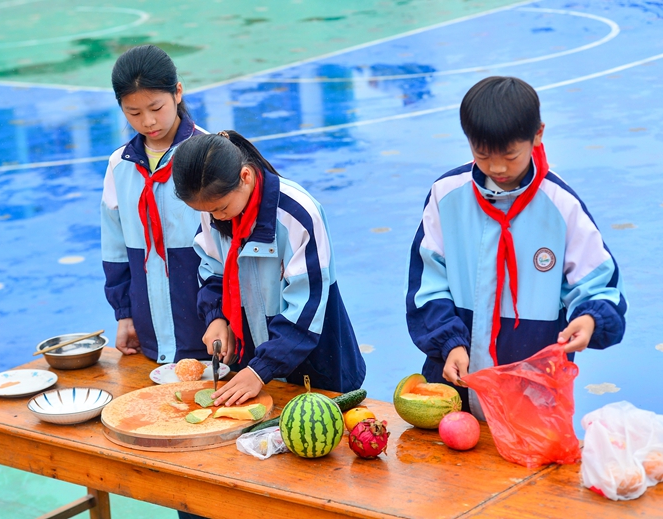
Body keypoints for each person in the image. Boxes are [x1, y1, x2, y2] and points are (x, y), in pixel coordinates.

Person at [405, 76, 626, 419]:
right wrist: (450, 342)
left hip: (534, 396)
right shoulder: (446, 196)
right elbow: (427, 284)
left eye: (510, 155)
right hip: (455, 387)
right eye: (482, 153)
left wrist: (589, 318)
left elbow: (598, 283)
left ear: (538, 134)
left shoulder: (560, 205)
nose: (496, 167)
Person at [171, 131, 367, 406]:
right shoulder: (215, 208)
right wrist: (216, 316)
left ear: (246, 177)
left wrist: (260, 370)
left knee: (314, 429)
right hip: (255, 365)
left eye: (221, 208)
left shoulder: (297, 214)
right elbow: (212, 269)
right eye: (207, 212)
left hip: (315, 367)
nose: (215, 218)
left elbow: (306, 308)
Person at [101, 44, 208, 365]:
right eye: (133, 113)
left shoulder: (210, 155)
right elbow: (115, 249)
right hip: (150, 335)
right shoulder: (120, 166)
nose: (148, 121)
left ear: (177, 92)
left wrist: (224, 319)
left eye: (155, 107)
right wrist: (125, 315)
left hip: (211, 328)